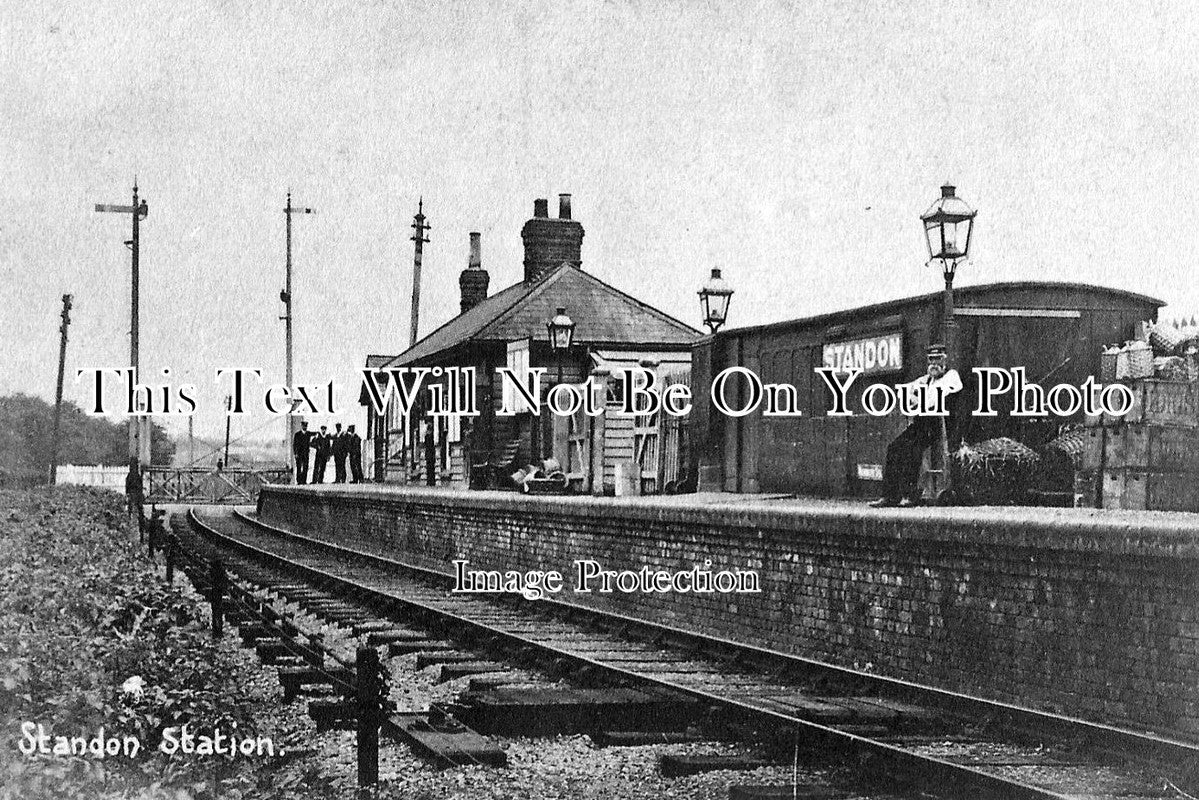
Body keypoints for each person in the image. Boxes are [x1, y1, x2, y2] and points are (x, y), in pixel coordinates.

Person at [870, 343, 962, 508]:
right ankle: (890, 496)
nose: (934, 364)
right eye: (931, 361)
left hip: (940, 426)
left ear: (945, 361)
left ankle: (910, 495)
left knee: (913, 449)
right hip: (922, 424)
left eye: (938, 360)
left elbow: (935, 400)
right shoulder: (926, 380)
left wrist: (918, 400)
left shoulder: (951, 376)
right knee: (894, 447)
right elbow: (904, 390)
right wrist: (913, 397)